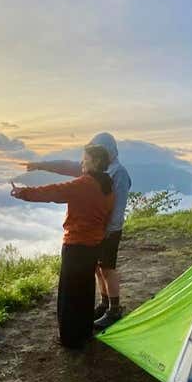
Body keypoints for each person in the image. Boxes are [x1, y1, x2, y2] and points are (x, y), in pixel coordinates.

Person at [24, 132, 131, 330]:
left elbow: (118, 207)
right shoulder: (95, 168)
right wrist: (42, 165)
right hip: (97, 229)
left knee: (107, 268)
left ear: (104, 152)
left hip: (108, 230)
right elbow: (67, 166)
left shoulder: (119, 173)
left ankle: (114, 310)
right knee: (98, 269)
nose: (83, 161)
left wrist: (108, 231)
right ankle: (104, 304)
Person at [11, 145, 114, 348]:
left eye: (85, 159)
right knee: (85, 288)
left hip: (76, 244)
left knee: (69, 292)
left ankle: (69, 338)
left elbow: (55, 192)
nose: (82, 162)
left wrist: (23, 192)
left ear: (94, 162)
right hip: (94, 244)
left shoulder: (85, 183)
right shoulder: (107, 185)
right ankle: (84, 332)